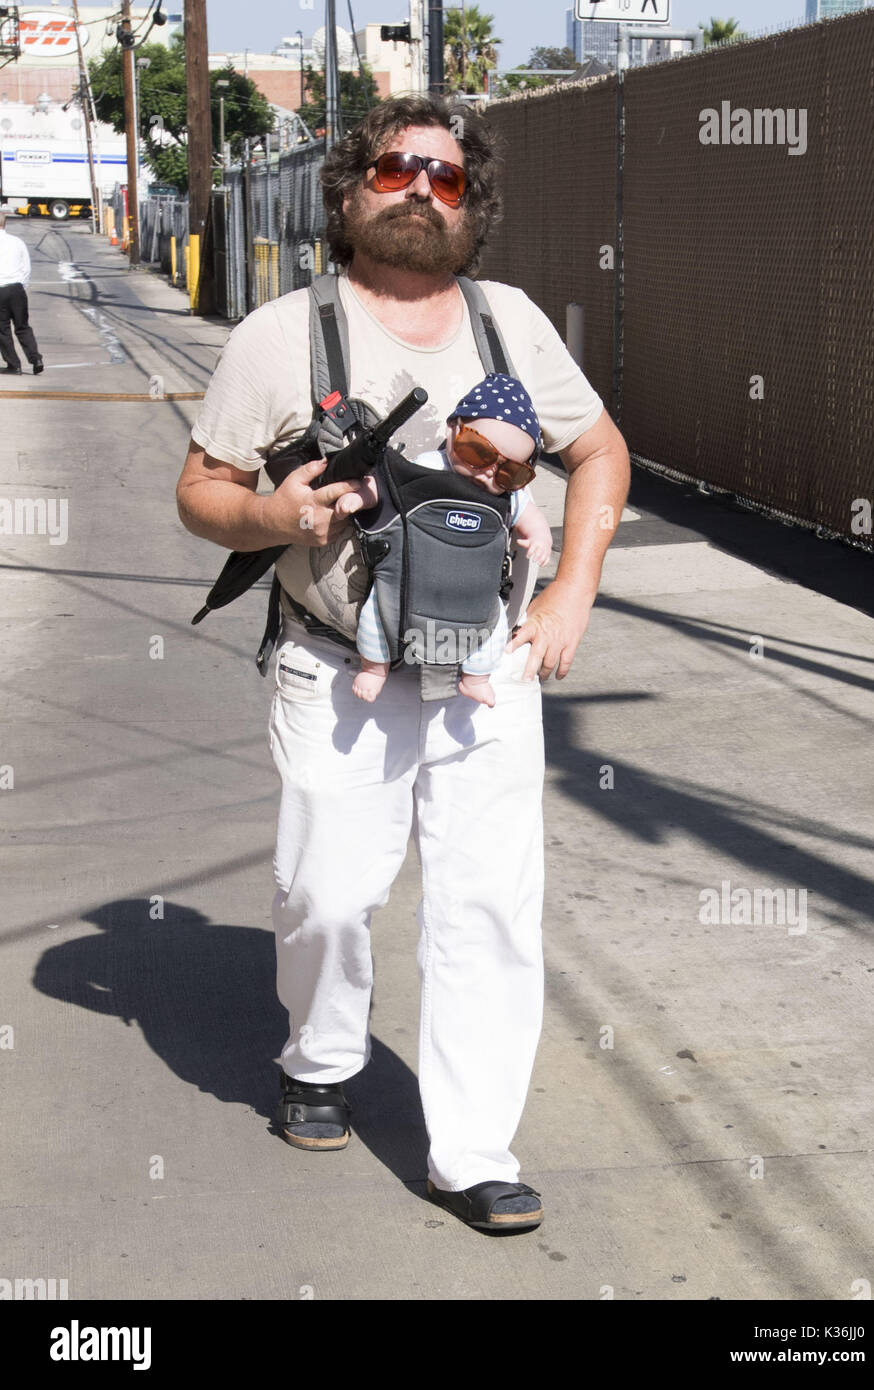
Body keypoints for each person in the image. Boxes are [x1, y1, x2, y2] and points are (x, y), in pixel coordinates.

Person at [176, 94, 631, 1235]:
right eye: (397, 170)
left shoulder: (509, 320)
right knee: (327, 896)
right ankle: (321, 1055)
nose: (422, 192)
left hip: (488, 665)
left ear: (473, 203)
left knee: (485, 908)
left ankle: (471, 1148)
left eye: (448, 178)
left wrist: (574, 586)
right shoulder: (280, 334)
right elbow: (199, 491)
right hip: (340, 664)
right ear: (350, 188)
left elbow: (599, 448)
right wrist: (271, 511)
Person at [349, 372, 555, 707]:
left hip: (475, 596)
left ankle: (476, 678)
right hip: (409, 582)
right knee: (377, 611)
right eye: (477, 451)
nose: (489, 472)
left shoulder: (509, 497)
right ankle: (374, 668)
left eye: (510, 472)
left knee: (493, 629)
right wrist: (359, 498)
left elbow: (532, 517)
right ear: (452, 430)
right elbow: (387, 490)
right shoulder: (428, 467)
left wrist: (540, 538)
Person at [0, 209, 44, 376]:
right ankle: (35, 358)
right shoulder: (17, 242)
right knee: (22, 326)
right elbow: (26, 267)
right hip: (16, 288)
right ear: (5, 224)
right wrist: (22, 285)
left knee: (2, 329)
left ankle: (14, 364)